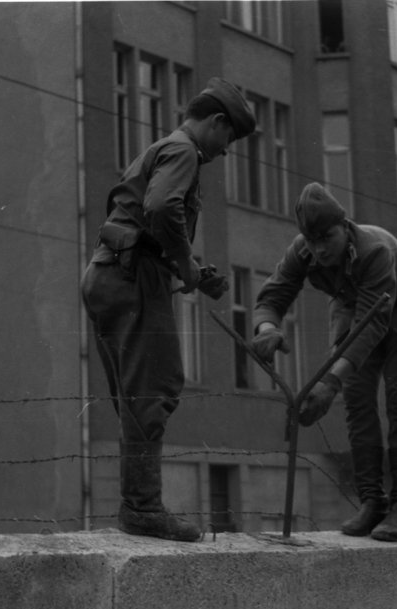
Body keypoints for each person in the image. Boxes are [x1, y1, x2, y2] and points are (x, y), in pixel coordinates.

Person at [81, 78, 256, 542]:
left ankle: (137, 505)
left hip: (112, 272)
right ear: (216, 123)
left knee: (136, 394)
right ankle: (141, 508)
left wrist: (192, 270)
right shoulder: (184, 152)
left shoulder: (163, 147)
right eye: (230, 138)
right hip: (133, 278)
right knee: (154, 389)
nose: (225, 151)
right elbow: (161, 208)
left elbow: (149, 219)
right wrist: (184, 263)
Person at [251, 182, 397, 542]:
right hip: (355, 305)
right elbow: (274, 293)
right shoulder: (303, 250)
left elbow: (373, 326)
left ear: (345, 227)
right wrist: (267, 327)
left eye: (327, 238)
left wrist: (329, 382)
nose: (319, 249)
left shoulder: (375, 250)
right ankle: (372, 503)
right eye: (311, 239)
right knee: (357, 399)